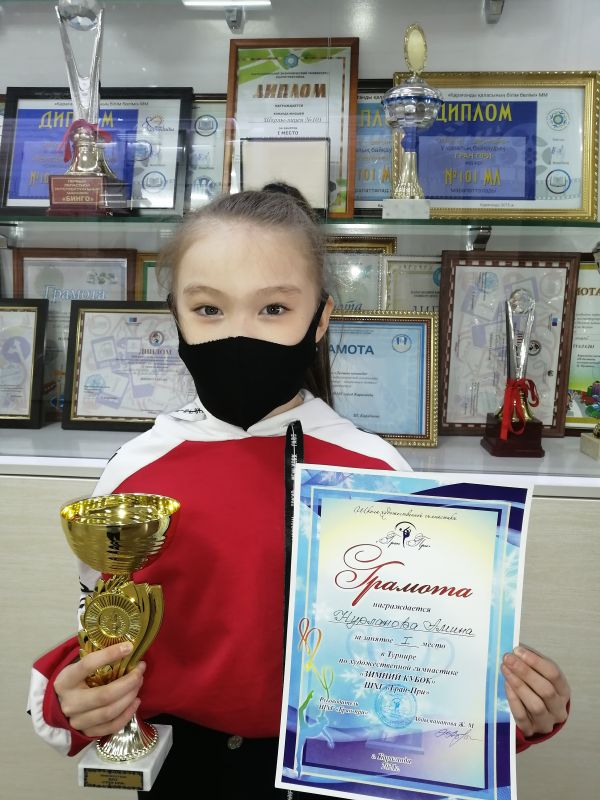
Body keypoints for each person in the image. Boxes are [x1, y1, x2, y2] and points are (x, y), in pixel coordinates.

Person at [28, 186, 570, 798]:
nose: (239, 334)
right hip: (189, 769)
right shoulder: (134, 475)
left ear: (321, 318)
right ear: (175, 315)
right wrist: (71, 701)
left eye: (273, 308)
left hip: (341, 771)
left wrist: (513, 709)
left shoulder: (374, 470)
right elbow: (101, 631)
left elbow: (422, 656)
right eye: (208, 309)